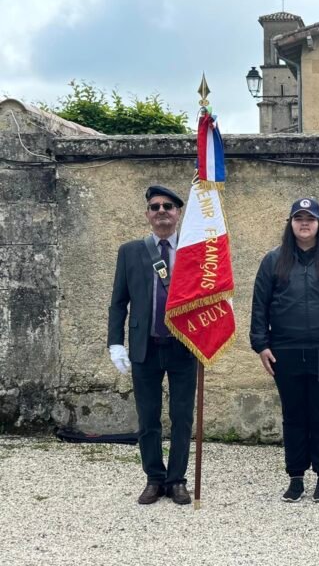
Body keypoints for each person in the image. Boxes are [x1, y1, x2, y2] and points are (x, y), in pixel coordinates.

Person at [250, 198, 319, 503]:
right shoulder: (273, 260)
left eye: (310, 218)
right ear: (290, 223)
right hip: (285, 350)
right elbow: (259, 305)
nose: (304, 223)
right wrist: (261, 344)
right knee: (294, 415)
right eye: (298, 218)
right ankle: (296, 477)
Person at [107, 185, 197, 505]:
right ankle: (154, 479)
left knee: (182, 417)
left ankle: (177, 481)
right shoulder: (131, 252)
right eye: (155, 206)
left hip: (183, 347)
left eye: (168, 206)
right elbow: (119, 302)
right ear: (147, 214)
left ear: (178, 213)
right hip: (145, 346)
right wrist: (115, 342)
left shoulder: (193, 251)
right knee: (148, 418)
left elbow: (207, 298)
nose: (162, 211)